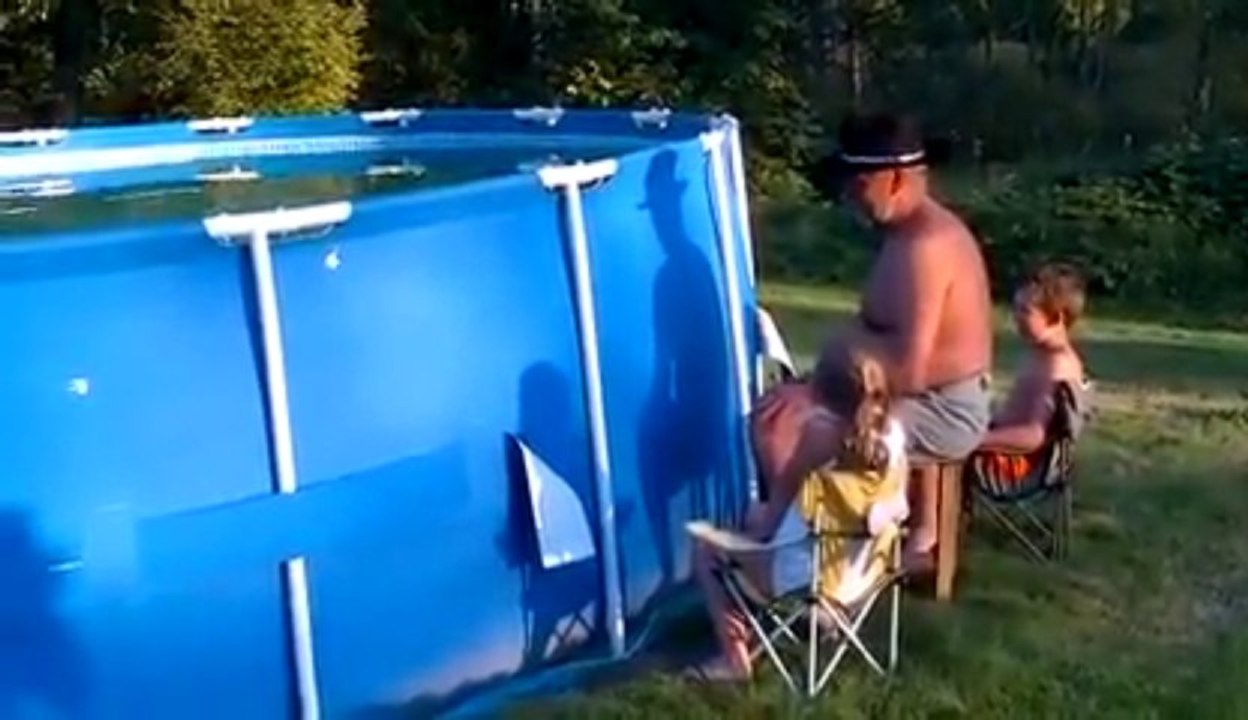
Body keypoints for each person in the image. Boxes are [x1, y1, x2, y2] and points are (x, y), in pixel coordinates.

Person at [810, 112, 994, 571]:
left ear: (893, 179)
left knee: (805, 435)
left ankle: (828, 572)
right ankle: (821, 553)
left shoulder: (925, 247)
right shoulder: (905, 235)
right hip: (916, 396)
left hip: (943, 408)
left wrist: (837, 364)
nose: (851, 195)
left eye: (859, 184)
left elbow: (910, 372)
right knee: (791, 411)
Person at [689, 348, 909, 682]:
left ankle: (734, 659)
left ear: (818, 393)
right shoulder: (893, 435)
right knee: (753, 519)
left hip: (809, 582)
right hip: (865, 577)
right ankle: (806, 631)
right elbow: (896, 503)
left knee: (707, 550)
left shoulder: (821, 436)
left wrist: (766, 446)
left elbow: (776, 510)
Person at [972, 263, 1089, 470]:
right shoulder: (1040, 354)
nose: (1016, 318)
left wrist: (977, 440)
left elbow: (1035, 435)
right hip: (1001, 445)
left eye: (1025, 311)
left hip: (1018, 465)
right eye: (1015, 309)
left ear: (1057, 317)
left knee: (933, 451)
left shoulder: (1058, 366)